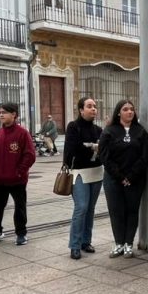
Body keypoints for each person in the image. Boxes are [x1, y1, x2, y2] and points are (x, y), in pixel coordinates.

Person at [98, 100, 148, 258]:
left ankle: (129, 243)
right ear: (118, 112)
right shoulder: (109, 131)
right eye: (125, 109)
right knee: (116, 211)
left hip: (135, 179)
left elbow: (145, 156)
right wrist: (120, 176)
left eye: (132, 109)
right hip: (113, 179)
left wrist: (131, 176)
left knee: (132, 210)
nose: (130, 112)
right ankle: (118, 243)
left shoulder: (140, 131)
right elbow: (104, 155)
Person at [0, 102, 36, 247]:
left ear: (14, 114)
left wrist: (19, 171)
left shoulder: (22, 133)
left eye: (4, 112)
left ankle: (21, 233)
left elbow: (30, 155)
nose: (0, 115)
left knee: (19, 207)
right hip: (0, 179)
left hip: (17, 179)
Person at [65, 97, 103, 260]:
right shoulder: (73, 127)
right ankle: (74, 245)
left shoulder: (98, 130)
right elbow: (74, 148)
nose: (93, 109)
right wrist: (93, 147)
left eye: (94, 106)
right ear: (81, 110)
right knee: (81, 207)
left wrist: (90, 146)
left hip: (96, 172)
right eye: (89, 106)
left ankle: (86, 242)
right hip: (79, 172)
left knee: (90, 209)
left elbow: (103, 150)